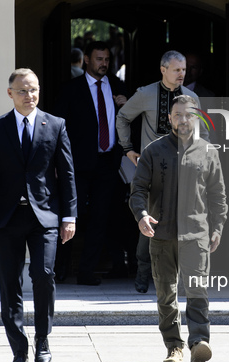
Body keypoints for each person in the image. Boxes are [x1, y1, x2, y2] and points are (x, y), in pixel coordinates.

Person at [0, 68, 77, 362]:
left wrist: (69, 215)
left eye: (33, 90)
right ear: (10, 94)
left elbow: (67, 174)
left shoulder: (55, 125)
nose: (29, 96)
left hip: (44, 217)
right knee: (10, 283)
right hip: (7, 217)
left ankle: (42, 340)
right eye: (22, 91)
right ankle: (19, 350)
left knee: (44, 276)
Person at [129, 95, 227, 362]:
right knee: (166, 295)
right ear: (169, 118)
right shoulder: (153, 151)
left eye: (189, 115)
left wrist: (217, 227)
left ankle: (198, 343)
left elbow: (218, 195)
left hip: (196, 234)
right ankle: (174, 347)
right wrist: (142, 215)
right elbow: (137, 190)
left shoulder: (208, 151)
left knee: (198, 291)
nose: (184, 120)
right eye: (178, 115)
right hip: (161, 235)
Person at [116, 50, 209, 293]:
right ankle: (142, 272)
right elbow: (123, 117)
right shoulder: (146, 93)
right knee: (148, 221)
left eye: (184, 70)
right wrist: (128, 149)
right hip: (151, 169)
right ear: (163, 69)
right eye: (177, 70)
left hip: (183, 169)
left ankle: (178, 275)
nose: (182, 74)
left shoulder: (191, 97)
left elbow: (203, 131)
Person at [54, 41, 128, 286]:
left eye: (106, 59)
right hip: (77, 164)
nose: (104, 64)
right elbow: (59, 129)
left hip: (108, 163)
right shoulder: (70, 89)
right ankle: (60, 268)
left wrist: (125, 107)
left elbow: (131, 122)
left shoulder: (119, 87)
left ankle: (87, 272)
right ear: (86, 59)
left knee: (100, 217)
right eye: (99, 59)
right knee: (71, 216)